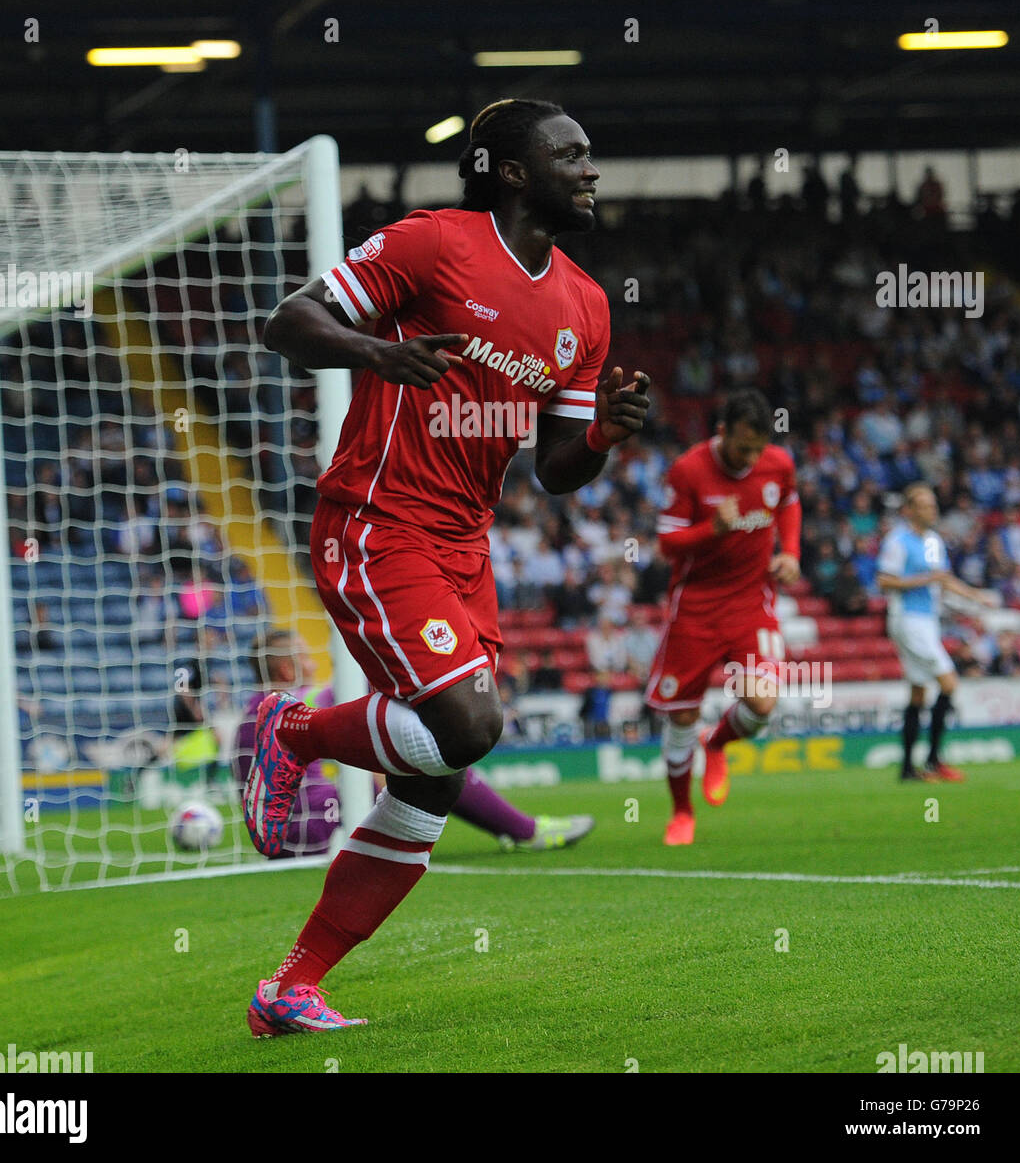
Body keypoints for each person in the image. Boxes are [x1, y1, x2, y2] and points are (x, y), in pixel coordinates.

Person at [243, 97, 650, 1033]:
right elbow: (289, 323)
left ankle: (289, 989)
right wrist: (376, 354)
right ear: (512, 170)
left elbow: (554, 471)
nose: (591, 170)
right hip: (377, 519)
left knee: (431, 778)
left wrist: (605, 439)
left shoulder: (585, 303)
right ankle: (293, 733)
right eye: (571, 154)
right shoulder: (434, 244)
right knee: (467, 726)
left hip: (465, 546)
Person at [232, 629, 596, 856]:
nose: (312, 663)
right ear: (285, 669)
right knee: (431, 756)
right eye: (305, 657)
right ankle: (525, 830)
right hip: (320, 829)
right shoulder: (303, 701)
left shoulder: (250, 715)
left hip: (275, 835)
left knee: (405, 753)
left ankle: (519, 829)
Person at [645, 389, 801, 846]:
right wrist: (712, 529)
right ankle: (681, 813)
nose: (750, 458)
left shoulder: (778, 464)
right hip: (694, 609)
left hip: (752, 603)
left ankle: (716, 744)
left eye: (757, 448)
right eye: (741, 447)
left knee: (763, 702)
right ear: (721, 432)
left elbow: (789, 503)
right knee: (682, 716)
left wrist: (790, 552)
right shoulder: (689, 470)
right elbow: (666, 543)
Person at [876, 482, 998, 782]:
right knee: (949, 682)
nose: (933, 509)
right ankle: (933, 761)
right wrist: (923, 579)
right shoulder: (898, 541)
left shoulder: (932, 540)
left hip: (927, 621)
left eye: (933, 504)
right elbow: (884, 582)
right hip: (908, 619)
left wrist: (974, 594)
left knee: (918, 692)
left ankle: (907, 769)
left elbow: (942, 578)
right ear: (909, 510)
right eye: (925, 505)